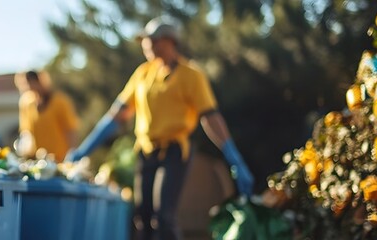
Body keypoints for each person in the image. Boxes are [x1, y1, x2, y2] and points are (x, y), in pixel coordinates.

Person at [69, 18, 254, 240]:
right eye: (145, 41)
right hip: (146, 151)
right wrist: (85, 149)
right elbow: (117, 115)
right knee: (142, 216)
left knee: (163, 215)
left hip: (175, 151)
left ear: (169, 41)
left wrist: (233, 155)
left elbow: (210, 117)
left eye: (152, 40)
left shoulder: (190, 75)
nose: (146, 45)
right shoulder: (143, 73)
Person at [15, 70, 79, 162]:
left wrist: (71, 157)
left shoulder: (60, 102)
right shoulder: (26, 103)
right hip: (39, 161)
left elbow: (71, 131)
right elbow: (26, 132)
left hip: (61, 160)